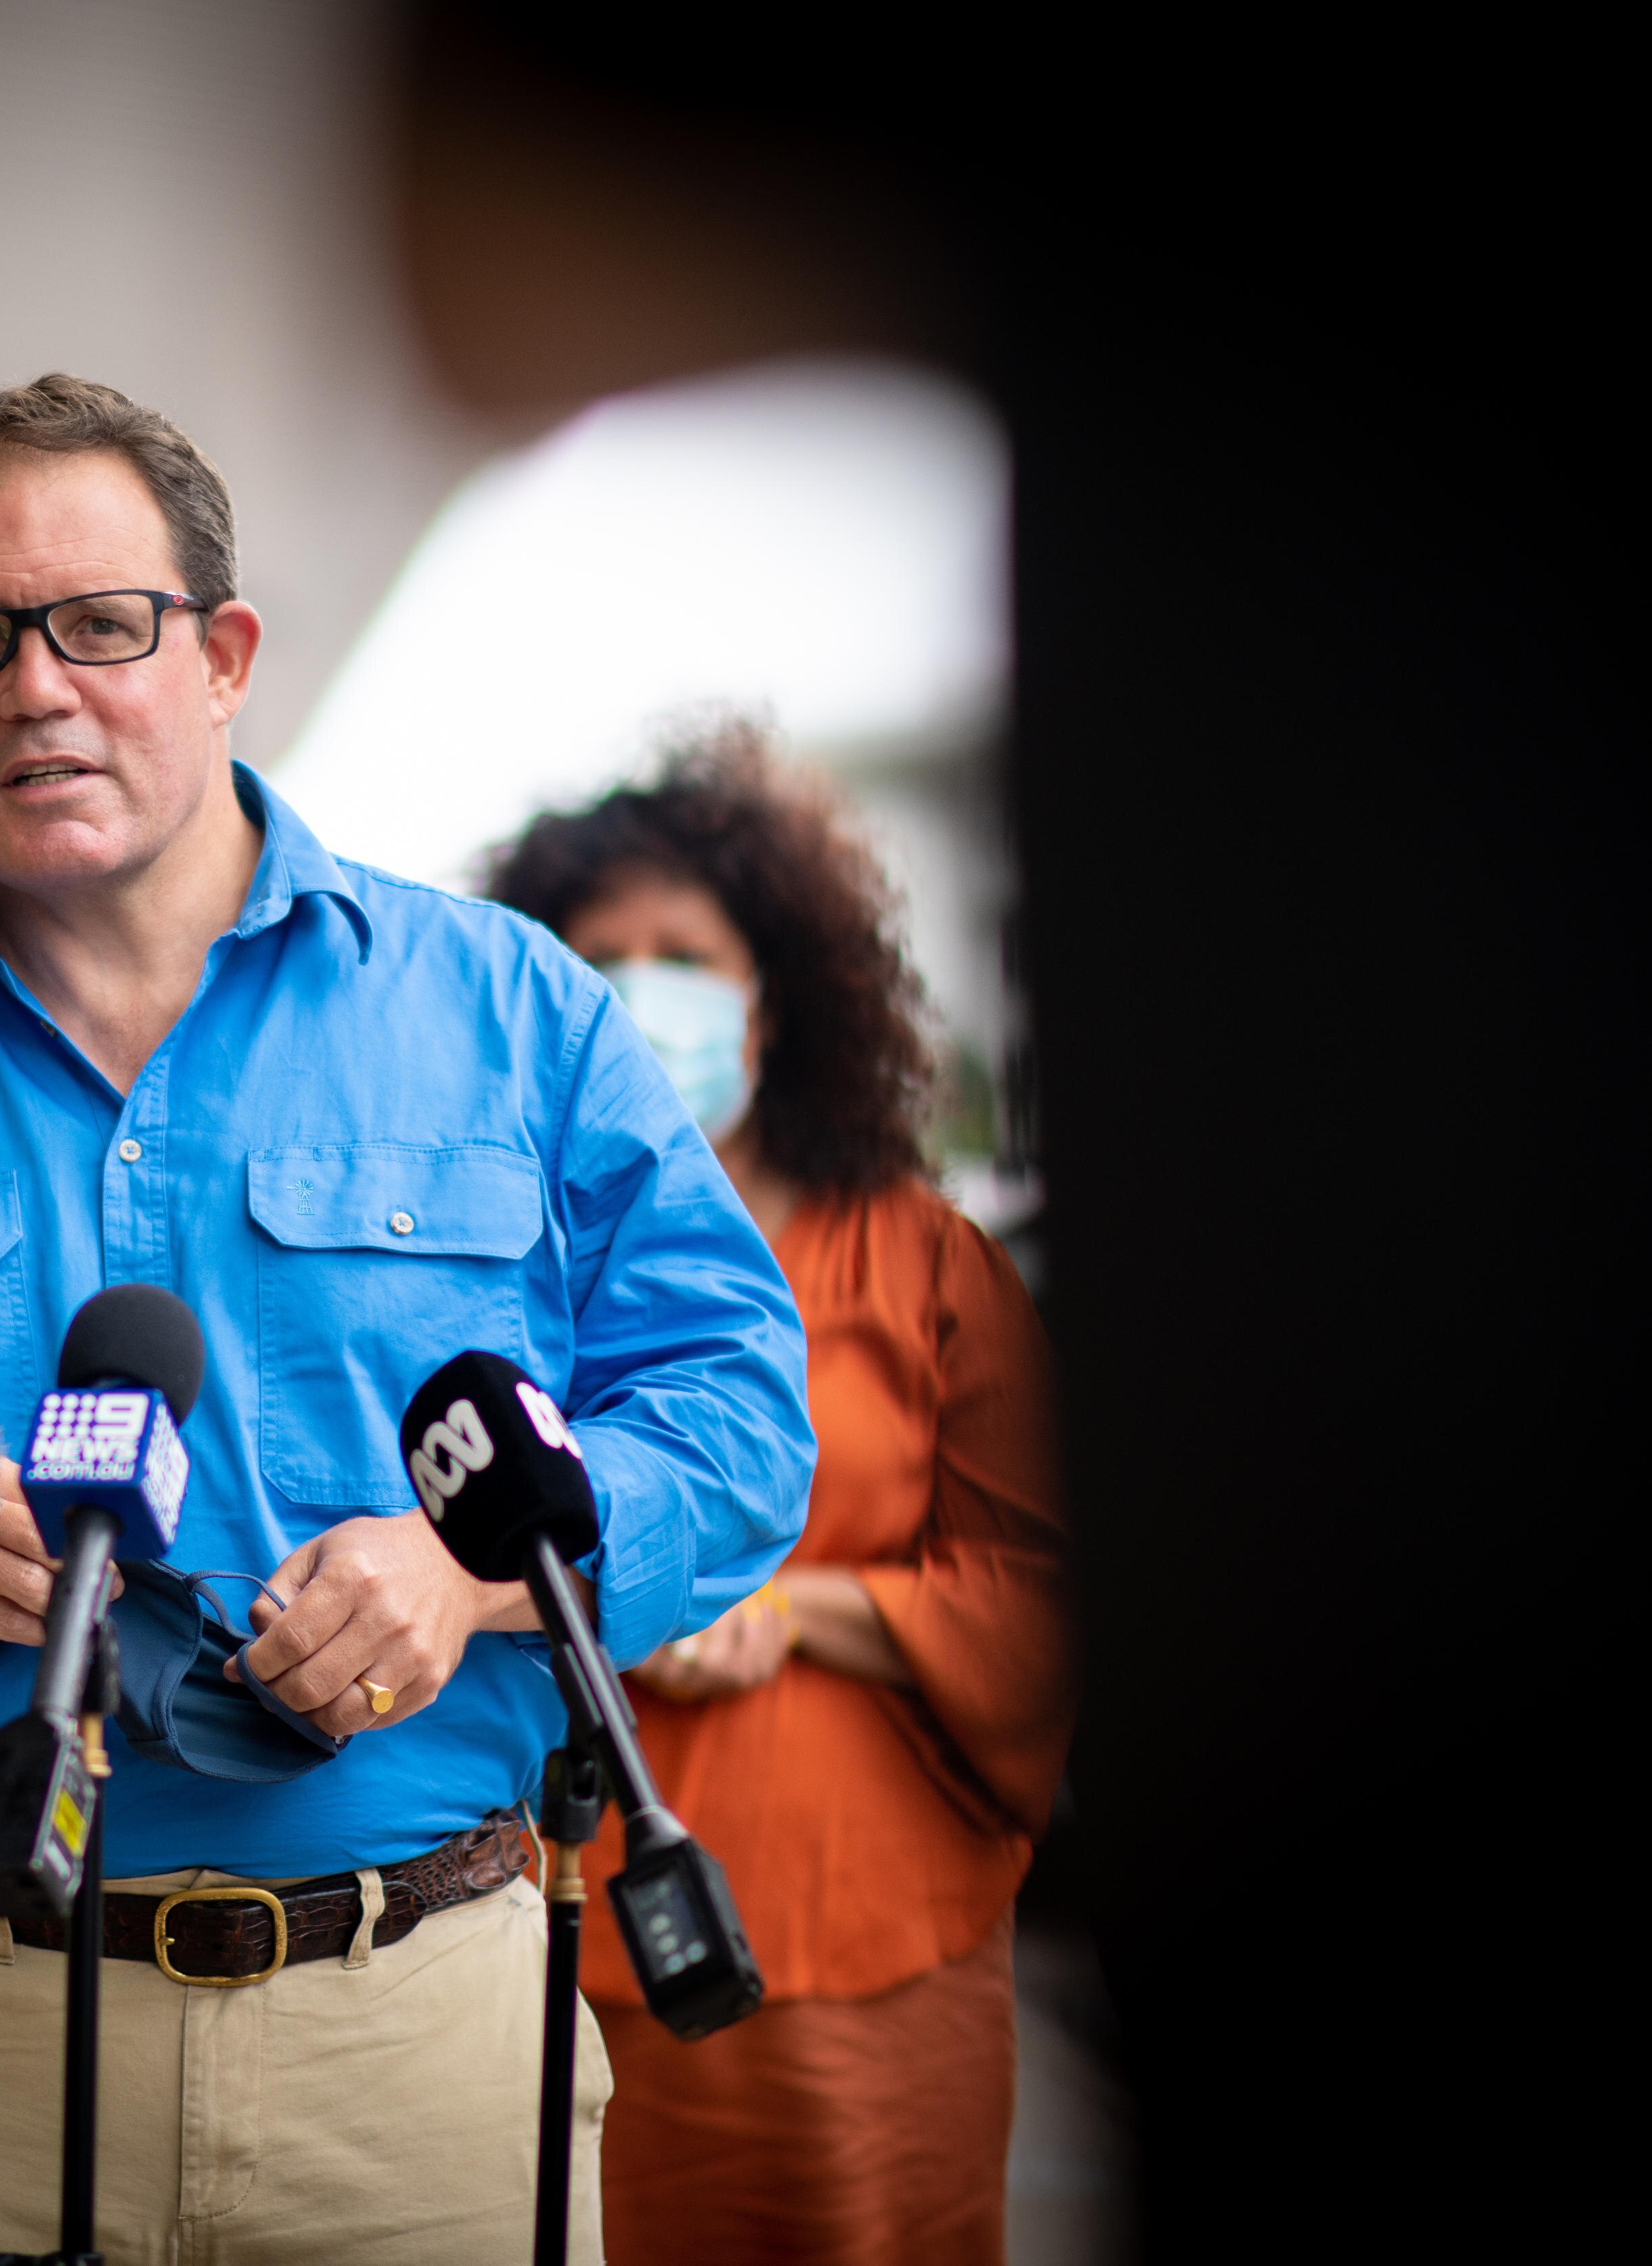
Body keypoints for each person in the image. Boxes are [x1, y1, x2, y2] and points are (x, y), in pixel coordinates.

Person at [0, 375, 815, 2265]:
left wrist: (468, 1576)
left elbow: (738, 1407)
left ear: (223, 656)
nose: (37, 685)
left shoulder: (514, 1016)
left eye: (101, 624)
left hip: (418, 2032)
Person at [486, 728, 1073, 2266]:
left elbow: (1040, 1593)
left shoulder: (930, 1261)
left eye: (682, 954)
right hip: (547, 1940)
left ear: (778, 993)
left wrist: (803, 1605)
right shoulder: (499, 1276)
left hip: (882, 1955)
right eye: (594, 958)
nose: (636, 989)